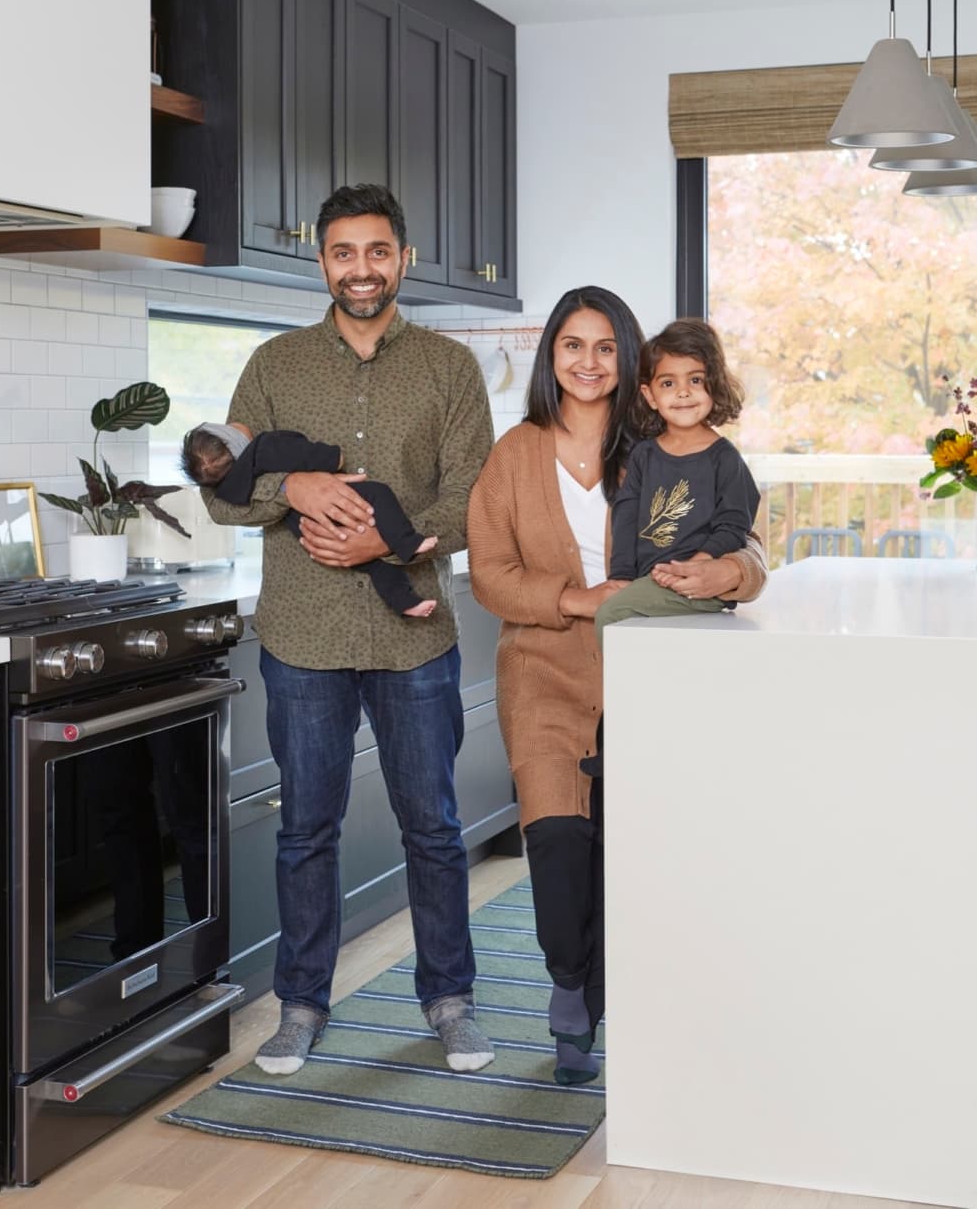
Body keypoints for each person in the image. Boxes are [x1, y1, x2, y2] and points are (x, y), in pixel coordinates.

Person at [201, 183, 495, 1076]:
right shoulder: (274, 366)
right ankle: (300, 1006)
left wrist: (388, 534)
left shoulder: (450, 368)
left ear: (403, 259)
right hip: (303, 637)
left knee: (434, 829)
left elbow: (477, 500)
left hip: (414, 639)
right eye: (342, 252)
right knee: (306, 832)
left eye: (376, 252)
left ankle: (450, 1000)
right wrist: (286, 487)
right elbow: (223, 485)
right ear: (321, 261)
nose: (359, 269)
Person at [466, 286, 767, 1086]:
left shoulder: (671, 442)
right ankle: (570, 986)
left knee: (637, 860)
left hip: (655, 678)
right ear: (551, 355)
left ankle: (626, 1008)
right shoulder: (514, 454)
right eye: (573, 345)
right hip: (544, 677)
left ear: (631, 361)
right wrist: (572, 598)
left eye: (607, 347)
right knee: (560, 851)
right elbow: (490, 574)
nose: (589, 362)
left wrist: (725, 570)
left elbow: (753, 550)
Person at [594, 318, 761, 635]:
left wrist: (699, 564)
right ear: (650, 395)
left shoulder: (724, 459)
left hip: (701, 586)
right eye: (668, 383)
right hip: (650, 583)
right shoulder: (644, 456)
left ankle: (619, 687)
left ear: (715, 385)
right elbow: (626, 516)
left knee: (609, 616)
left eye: (696, 380)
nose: (683, 392)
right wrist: (622, 577)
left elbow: (735, 523)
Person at [183, 420, 438, 617]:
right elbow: (327, 457)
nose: (238, 422)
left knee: (374, 566)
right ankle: (408, 542)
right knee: (379, 494)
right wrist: (332, 455)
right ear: (235, 443)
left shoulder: (230, 489)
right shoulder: (266, 447)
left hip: (306, 527)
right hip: (337, 500)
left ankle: (406, 603)